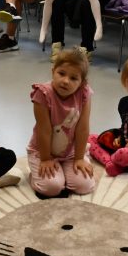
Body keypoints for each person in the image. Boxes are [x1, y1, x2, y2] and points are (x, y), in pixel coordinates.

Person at [28, 48, 97, 198]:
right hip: (43, 151)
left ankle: (64, 171)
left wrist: (79, 158)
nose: (65, 81)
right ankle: (34, 176)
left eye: (73, 78)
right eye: (61, 73)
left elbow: (83, 128)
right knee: (52, 188)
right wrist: (45, 159)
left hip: (71, 152)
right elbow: (44, 130)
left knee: (85, 185)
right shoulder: (42, 93)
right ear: (53, 71)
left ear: (82, 83)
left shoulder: (84, 93)